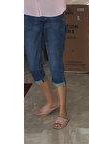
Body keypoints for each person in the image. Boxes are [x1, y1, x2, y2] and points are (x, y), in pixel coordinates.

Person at [24, 0, 70, 129]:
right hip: (28, 15)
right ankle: (51, 102)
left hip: (54, 15)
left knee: (55, 65)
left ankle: (63, 112)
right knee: (33, 65)